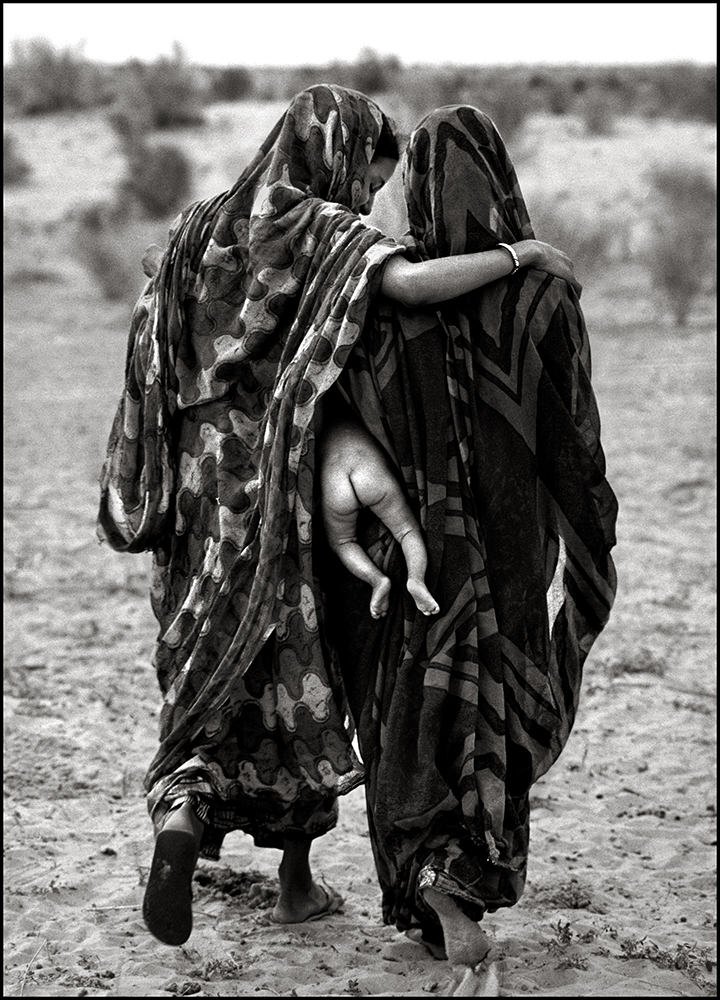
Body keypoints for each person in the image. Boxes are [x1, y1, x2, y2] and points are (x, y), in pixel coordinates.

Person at [98, 85, 581, 949]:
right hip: (280, 490)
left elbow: (152, 264)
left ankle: (184, 811)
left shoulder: (205, 222)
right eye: (366, 176)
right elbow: (415, 285)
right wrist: (521, 254)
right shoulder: (325, 230)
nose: (365, 198)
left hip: (197, 496)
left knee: (205, 669)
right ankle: (294, 882)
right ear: (342, 153)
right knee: (296, 679)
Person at [325, 105, 618, 992]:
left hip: (408, 546)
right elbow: (572, 438)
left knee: (409, 704)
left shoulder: (389, 291)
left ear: (414, 184)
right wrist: (591, 541)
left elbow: (333, 407)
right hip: (510, 544)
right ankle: (465, 871)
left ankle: (422, 873)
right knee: (493, 693)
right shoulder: (542, 294)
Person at [319, 411, 440, 619]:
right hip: (369, 472)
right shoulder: (358, 416)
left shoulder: (318, 433)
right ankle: (416, 579)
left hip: (334, 483)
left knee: (343, 541)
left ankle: (377, 580)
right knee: (406, 531)